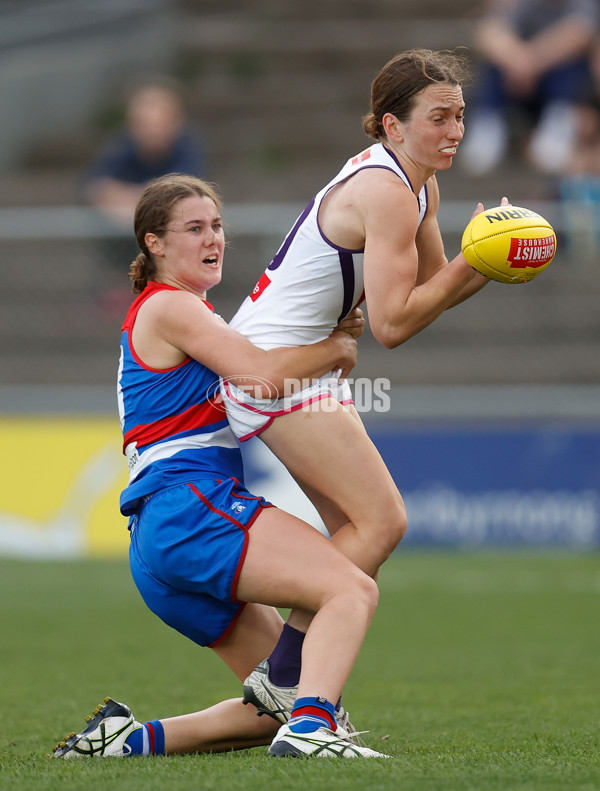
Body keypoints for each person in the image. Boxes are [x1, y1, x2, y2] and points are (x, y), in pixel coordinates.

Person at [52, 174, 387, 760]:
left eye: (218, 226)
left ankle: (123, 743)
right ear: (154, 243)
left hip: (160, 539)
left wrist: (325, 350)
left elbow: (267, 380)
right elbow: (261, 376)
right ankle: (313, 733)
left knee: (270, 708)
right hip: (189, 509)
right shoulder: (172, 306)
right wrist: (336, 348)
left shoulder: (184, 313)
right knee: (349, 589)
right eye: (195, 228)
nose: (214, 238)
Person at [221, 49, 510, 716]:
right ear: (391, 125)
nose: (454, 131)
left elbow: (433, 290)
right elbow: (394, 325)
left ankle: (287, 675)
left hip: (306, 364)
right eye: (437, 118)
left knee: (363, 529)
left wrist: (485, 260)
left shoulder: (419, 185)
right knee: (382, 520)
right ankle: (285, 672)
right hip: (273, 368)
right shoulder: (384, 190)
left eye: (460, 116)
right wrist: (480, 259)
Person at [83, 76, 208, 317]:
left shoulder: (187, 147)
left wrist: (134, 202)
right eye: (141, 122)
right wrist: (132, 204)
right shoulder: (124, 146)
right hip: (124, 228)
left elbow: (182, 189)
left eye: (156, 122)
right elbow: (96, 184)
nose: (148, 129)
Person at [460, 0, 600, 176]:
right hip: (518, 83)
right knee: (494, 68)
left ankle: (558, 125)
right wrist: (517, 61)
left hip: (560, 85)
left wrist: (532, 62)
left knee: (570, 66)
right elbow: (489, 30)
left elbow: (580, 32)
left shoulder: (582, 4)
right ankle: (487, 127)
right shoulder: (521, 4)